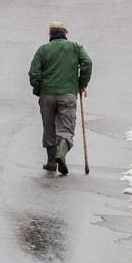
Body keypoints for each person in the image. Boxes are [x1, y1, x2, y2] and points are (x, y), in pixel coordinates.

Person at [28, 21, 92, 175]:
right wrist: (82, 83)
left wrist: (39, 90)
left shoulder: (43, 50)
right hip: (68, 94)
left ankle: (51, 162)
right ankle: (61, 154)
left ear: (50, 34)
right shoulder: (76, 47)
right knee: (66, 127)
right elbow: (87, 62)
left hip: (47, 94)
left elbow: (34, 73)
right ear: (65, 33)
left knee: (49, 127)